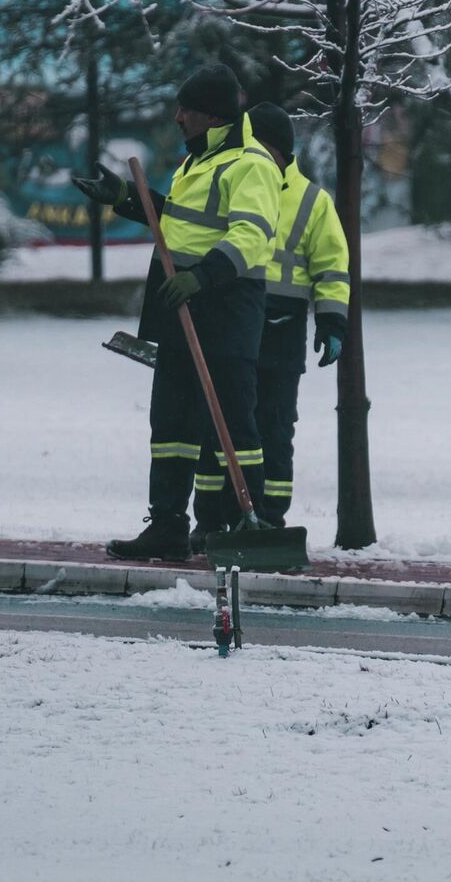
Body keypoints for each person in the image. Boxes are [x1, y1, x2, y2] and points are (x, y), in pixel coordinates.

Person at [73, 63, 282, 561]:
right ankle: (166, 524)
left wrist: (203, 276)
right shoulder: (198, 162)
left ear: (210, 115)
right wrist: (127, 199)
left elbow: (252, 236)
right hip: (180, 304)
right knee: (170, 424)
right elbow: (181, 222)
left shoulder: (251, 164)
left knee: (232, 422)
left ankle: (242, 525)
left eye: (185, 109)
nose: (176, 117)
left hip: (225, 307)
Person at [218, 102, 350, 539]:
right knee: (226, 423)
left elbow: (331, 266)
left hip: (279, 328)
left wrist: (332, 322)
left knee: (274, 425)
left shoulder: (313, 200)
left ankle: (270, 514)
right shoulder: (233, 180)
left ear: (275, 149)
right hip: (236, 321)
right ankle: (220, 514)